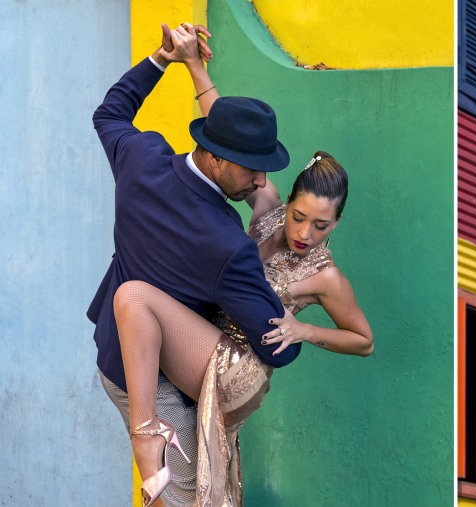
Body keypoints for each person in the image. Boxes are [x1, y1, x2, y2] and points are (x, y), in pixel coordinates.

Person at [109, 26, 373, 507]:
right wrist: (192, 64)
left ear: (336, 225)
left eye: (321, 226)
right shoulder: (262, 201)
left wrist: (303, 332)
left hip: (245, 366)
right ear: (281, 198)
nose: (303, 234)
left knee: (133, 297)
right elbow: (228, 136)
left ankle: (146, 434)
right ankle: (152, 439)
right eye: (298, 217)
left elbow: (363, 340)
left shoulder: (326, 276)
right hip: (202, 346)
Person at [91, 22, 298, 507]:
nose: (262, 180)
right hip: (164, 391)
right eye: (253, 168)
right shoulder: (227, 243)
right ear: (218, 159)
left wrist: (166, 59)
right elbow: (277, 348)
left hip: (114, 360)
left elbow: (110, 112)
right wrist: (292, 301)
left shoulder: (141, 158)